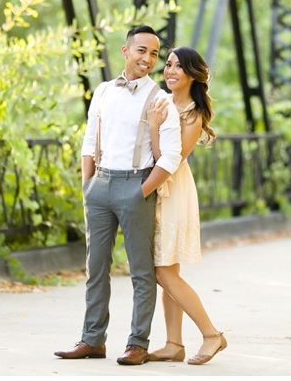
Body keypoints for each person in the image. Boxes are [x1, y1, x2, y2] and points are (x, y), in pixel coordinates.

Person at [54, 25, 182, 366]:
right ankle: (92, 339)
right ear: (126, 51)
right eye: (142, 50)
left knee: (141, 271)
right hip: (100, 185)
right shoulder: (104, 91)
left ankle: (137, 343)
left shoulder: (160, 99)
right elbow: (89, 141)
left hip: (136, 185)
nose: (149, 59)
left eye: (154, 54)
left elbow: (169, 157)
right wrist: (88, 187)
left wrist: (140, 192)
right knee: (95, 266)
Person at [145, 47, 227, 365]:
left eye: (178, 66)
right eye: (167, 64)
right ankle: (173, 344)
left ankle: (211, 334)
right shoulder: (162, 102)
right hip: (157, 188)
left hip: (172, 191)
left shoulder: (193, 114)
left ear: (193, 74)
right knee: (168, 267)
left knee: (163, 271)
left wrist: (153, 126)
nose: (170, 71)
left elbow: (170, 159)